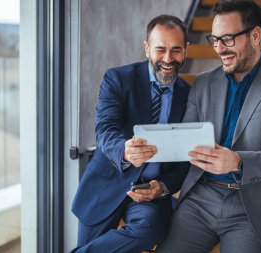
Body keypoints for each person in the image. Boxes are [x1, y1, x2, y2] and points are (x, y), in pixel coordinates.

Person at [156, 1, 261, 253]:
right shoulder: (203, 83)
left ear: (255, 35)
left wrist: (238, 162)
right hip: (200, 199)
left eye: (227, 39)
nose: (219, 48)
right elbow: (183, 141)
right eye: (214, 39)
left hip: (253, 206)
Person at [70, 14, 190, 253]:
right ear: (146, 48)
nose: (168, 59)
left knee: (149, 230)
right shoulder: (117, 79)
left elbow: (184, 160)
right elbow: (105, 128)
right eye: (160, 49)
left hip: (150, 192)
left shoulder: (189, 94)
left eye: (176, 50)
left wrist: (163, 187)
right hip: (107, 184)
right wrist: (124, 150)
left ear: (186, 50)